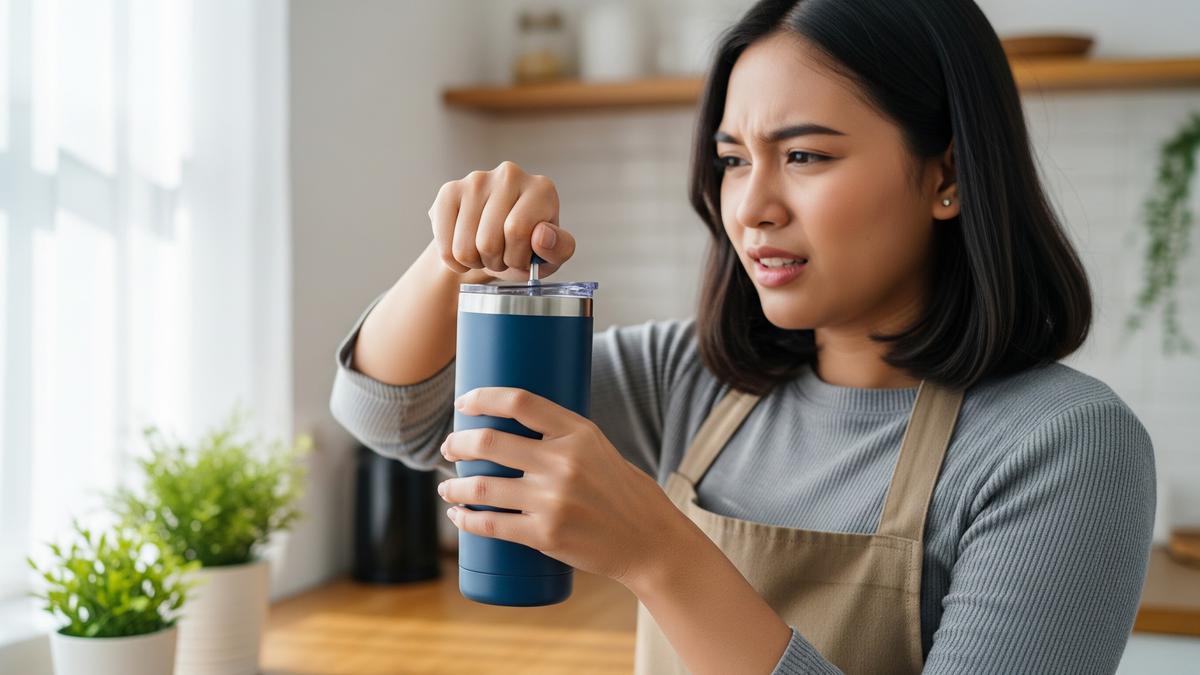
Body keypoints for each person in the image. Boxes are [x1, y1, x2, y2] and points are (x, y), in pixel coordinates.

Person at [330, 0, 1156, 672]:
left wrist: (661, 555)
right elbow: (400, 421)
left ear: (946, 175)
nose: (751, 207)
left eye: (803, 156)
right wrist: (452, 257)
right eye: (732, 160)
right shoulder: (686, 378)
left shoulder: (1064, 445)